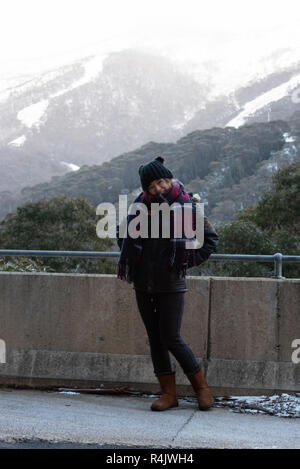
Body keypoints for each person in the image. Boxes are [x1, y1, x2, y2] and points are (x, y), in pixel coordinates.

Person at [116, 156, 219, 411]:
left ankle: (202, 389)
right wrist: (136, 260)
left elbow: (210, 241)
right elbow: (123, 236)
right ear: (146, 190)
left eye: (161, 182)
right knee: (155, 339)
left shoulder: (189, 205)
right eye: (151, 187)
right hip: (143, 283)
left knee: (171, 337)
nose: (158, 189)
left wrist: (183, 262)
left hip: (171, 284)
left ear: (169, 179)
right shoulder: (139, 207)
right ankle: (168, 394)